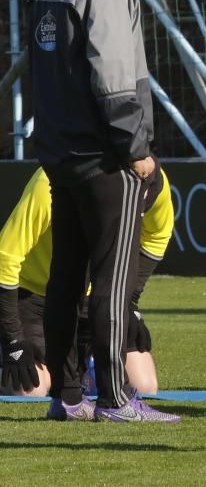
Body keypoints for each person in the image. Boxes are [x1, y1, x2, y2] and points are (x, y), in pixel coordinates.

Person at [26, 0, 178, 423]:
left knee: (65, 274)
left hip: (60, 149)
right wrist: (133, 145)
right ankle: (115, 398)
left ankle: (66, 397)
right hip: (104, 153)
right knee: (111, 278)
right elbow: (114, 73)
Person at [0, 166, 174, 398]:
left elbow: (158, 235)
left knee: (143, 386)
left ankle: (85, 367)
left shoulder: (153, 181)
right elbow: (5, 258)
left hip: (95, 298)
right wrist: (13, 340)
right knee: (31, 389)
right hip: (31, 295)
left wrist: (129, 300)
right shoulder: (50, 181)